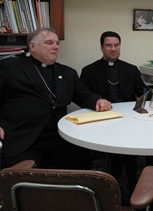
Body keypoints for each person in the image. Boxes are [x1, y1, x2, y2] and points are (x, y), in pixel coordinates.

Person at [0, 28, 112, 169]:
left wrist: (98, 100)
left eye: (57, 43)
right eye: (49, 43)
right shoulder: (9, 67)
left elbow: (83, 95)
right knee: (23, 177)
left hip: (59, 135)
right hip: (23, 137)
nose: (56, 47)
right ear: (32, 46)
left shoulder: (67, 73)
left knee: (81, 161)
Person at [80, 31, 146, 194]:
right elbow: (83, 96)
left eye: (116, 45)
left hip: (128, 120)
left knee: (129, 149)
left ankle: (130, 179)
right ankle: (113, 181)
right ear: (102, 47)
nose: (113, 49)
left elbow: (142, 92)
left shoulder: (131, 69)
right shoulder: (89, 71)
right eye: (109, 45)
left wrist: (151, 94)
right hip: (101, 120)